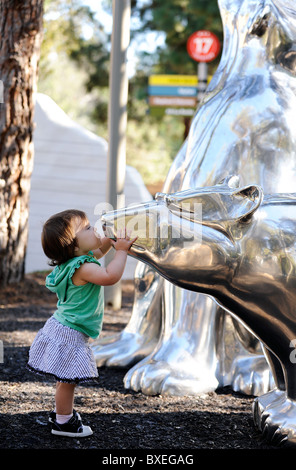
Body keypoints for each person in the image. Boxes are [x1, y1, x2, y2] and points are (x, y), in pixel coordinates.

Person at [27, 209, 137, 438]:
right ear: (74, 246)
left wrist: (109, 237)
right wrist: (122, 252)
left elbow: (97, 251)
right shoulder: (84, 268)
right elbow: (109, 276)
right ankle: (63, 423)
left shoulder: (73, 263)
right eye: (87, 228)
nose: (92, 228)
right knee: (68, 381)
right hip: (69, 332)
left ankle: (61, 413)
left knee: (64, 379)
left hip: (62, 327)